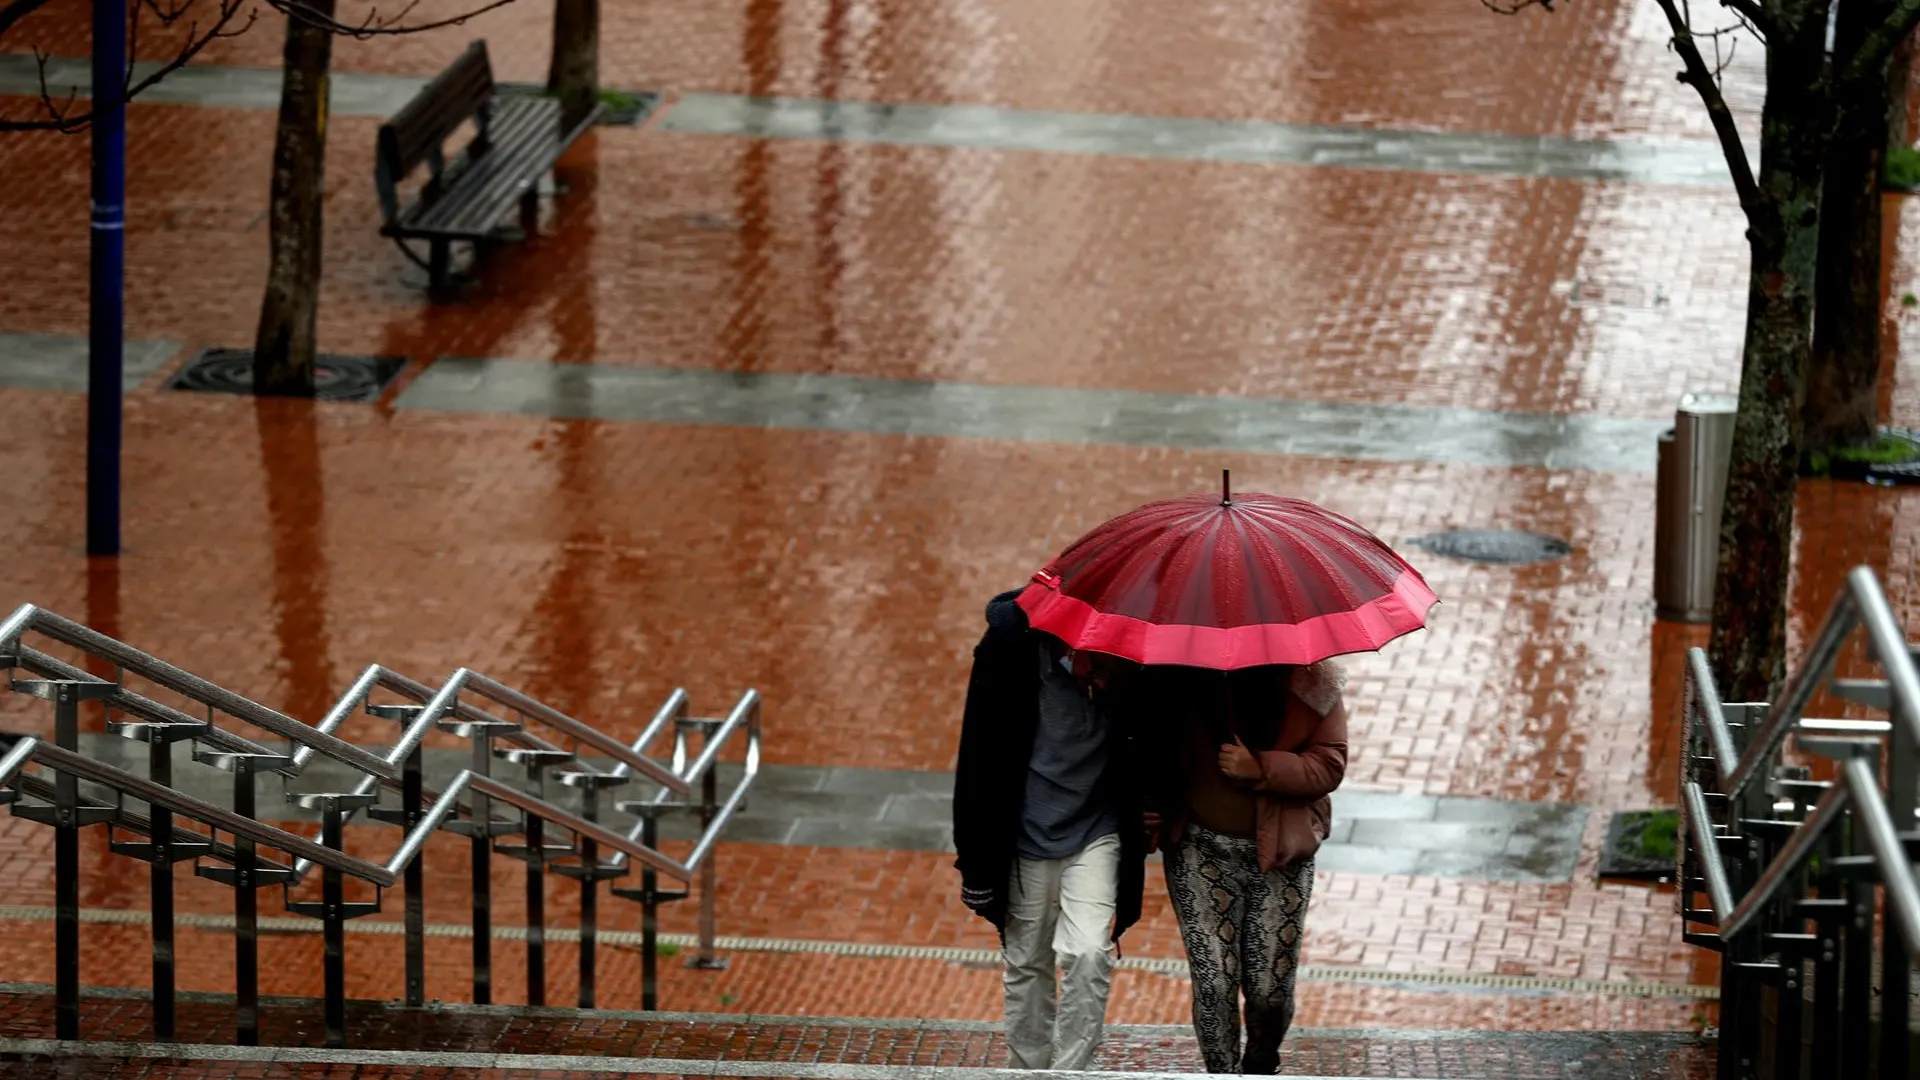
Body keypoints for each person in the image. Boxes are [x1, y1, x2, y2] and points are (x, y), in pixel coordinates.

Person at [952, 588, 1150, 1072]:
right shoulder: (1009, 656)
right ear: (1069, 642)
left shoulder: (1131, 663)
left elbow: (1154, 741)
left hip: (1095, 831)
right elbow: (977, 758)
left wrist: (1155, 804)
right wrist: (975, 863)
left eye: (1113, 669)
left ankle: (1069, 1073)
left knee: (1086, 954)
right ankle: (1029, 1069)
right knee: (1027, 962)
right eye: (1096, 668)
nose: (1103, 681)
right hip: (1023, 835)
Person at [1141, 661, 1349, 1075]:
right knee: (1215, 982)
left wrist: (1262, 768)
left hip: (1279, 856)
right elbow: (1144, 747)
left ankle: (1259, 1064)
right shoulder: (1173, 674)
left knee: (1269, 992)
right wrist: (1147, 804)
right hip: (1198, 851)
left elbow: (1330, 764)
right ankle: (1222, 1074)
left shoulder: (1313, 681)